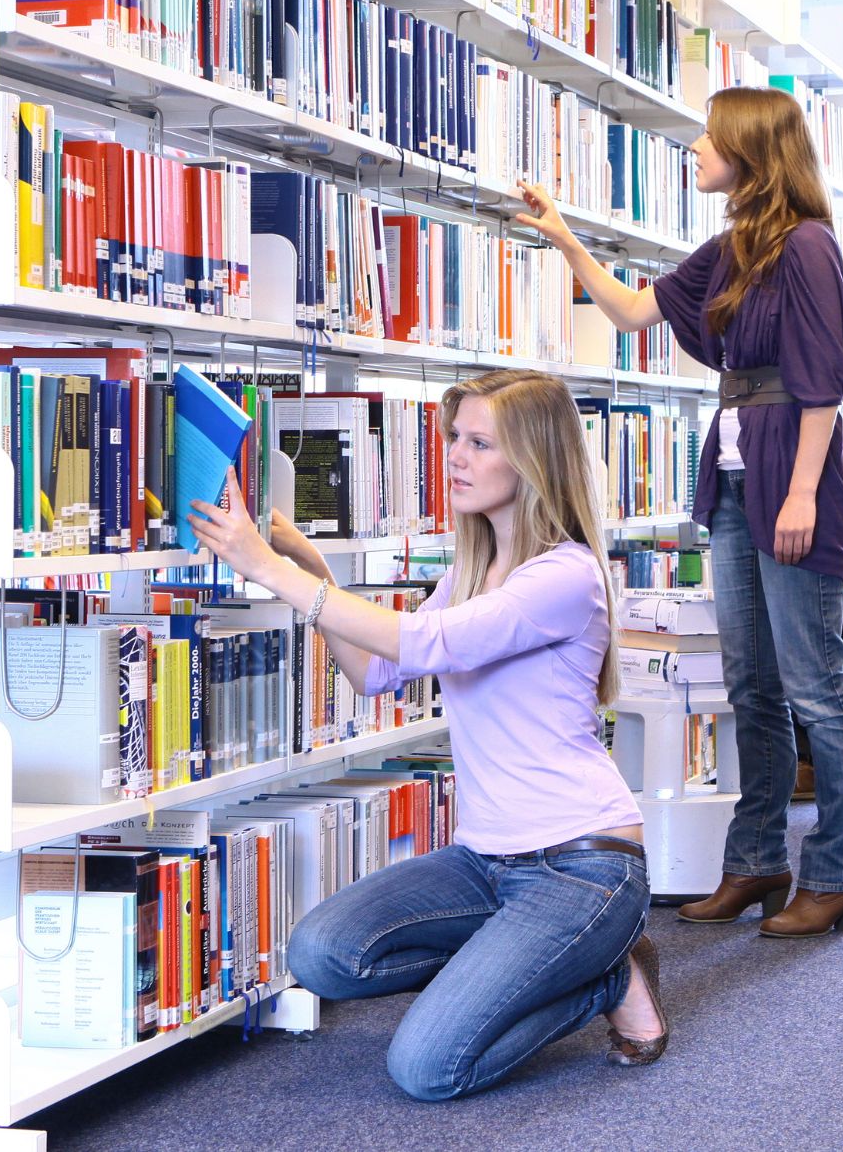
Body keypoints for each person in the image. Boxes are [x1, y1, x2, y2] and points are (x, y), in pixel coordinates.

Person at [186, 368, 668, 1100]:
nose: (455, 457)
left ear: (535, 459)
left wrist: (266, 569)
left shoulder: (564, 576)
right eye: (453, 439)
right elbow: (377, 674)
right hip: (486, 861)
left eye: (480, 443)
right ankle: (525, 963)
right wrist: (308, 569)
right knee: (322, 955)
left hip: (582, 866)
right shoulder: (476, 567)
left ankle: (605, 978)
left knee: (428, 1070)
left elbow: (423, 644)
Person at [516, 84, 843, 939]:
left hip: (794, 478)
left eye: (709, 139)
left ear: (751, 150)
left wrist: (801, 492)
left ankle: (838, 873)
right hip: (740, 476)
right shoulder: (732, 248)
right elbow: (636, 312)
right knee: (750, 684)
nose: (695, 152)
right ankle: (756, 863)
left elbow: (825, 379)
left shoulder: (810, 247)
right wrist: (564, 235)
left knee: (813, 686)